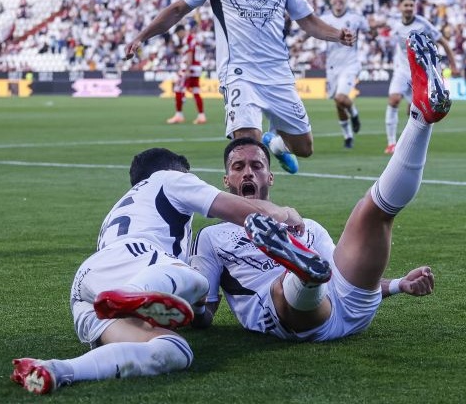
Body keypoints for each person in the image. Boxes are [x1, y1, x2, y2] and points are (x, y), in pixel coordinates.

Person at [191, 31, 451, 341]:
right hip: (296, 316)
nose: (248, 173)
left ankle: (421, 117)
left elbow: (341, 274)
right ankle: (303, 276)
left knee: (375, 211)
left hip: (351, 308)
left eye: (257, 166)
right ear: (226, 180)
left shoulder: (308, 227)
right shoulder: (211, 237)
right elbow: (205, 310)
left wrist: (397, 285)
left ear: (270, 178)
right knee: (283, 284)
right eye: (238, 167)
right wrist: (185, 308)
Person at [10, 148, 306, 395]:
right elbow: (238, 209)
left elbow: (199, 318)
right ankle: (133, 295)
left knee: (174, 352)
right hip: (133, 260)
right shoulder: (169, 179)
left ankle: (55, 370)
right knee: (196, 280)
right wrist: (283, 213)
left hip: (89, 289)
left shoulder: (132, 207)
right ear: (177, 171)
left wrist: (199, 312)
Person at [124, 0, 356, 175]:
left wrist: (337, 34)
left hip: (278, 74)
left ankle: (277, 145)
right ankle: (250, 213)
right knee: (248, 148)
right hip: (239, 74)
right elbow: (178, 9)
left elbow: (308, 21)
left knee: (304, 148)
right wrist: (142, 36)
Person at [384, 0, 455, 154]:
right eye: (406, 5)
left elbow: (443, 42)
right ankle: (391, 143)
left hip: (419, 72)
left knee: (414, 111)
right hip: (401, 70)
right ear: (400, 7)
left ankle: (408, 144)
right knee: (394, 99)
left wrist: (453, 64)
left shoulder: (423, 24)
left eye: (411, 5)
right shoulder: (394, 21)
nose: (408, 8)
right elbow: (381, 23)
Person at [319, 0, 370, 149]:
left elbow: (369, 30)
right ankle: (348, 136)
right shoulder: (325, 18)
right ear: (331, 0)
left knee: (341, 98)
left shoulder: (355, 17)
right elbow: (313, 31)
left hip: (350, 64)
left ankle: (354, 114)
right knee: (337, 103)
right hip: (332, 66)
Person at [166, 24, 207, 125]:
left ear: (181, 31)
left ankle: (178, 115)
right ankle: (201, 116)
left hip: (189, 68)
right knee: (196, 91)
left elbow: (189, 54)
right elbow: (188, 51)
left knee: (178, 89)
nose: (179, 36)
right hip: (197, 67)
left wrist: (187, 69)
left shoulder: (188, 39)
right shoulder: (192, 39)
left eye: (178, 34)